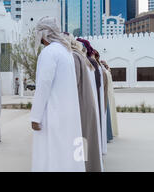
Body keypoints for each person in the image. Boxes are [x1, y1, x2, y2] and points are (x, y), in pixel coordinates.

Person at [31, 17, 85, 172]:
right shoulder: (65, 51)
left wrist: (35, 117)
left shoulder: (49, 52)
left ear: (44, 33)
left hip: (52, 114)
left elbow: (43, 86)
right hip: (67, 114)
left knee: (50, 155)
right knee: (64, 155)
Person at [64, 34, 103, 172]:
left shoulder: (74, 57)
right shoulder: (83, 58)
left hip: (81, 106)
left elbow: (72, 85)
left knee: (80, 141)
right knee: (85, 140)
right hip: (87, 104)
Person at [78, 39, 108, 156]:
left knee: (84, 132)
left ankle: (84, 158)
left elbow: (96, 84)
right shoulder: (89, 61)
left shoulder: (88, 62)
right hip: (91, 101)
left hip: (87, 102)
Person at [101, 60, 119, 138]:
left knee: (109, 112)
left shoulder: (105, 72)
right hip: (110, 93)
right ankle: (112, 131)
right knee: (111, 113)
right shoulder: (108, 72)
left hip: (107, 93)